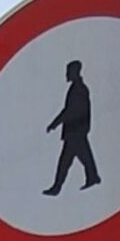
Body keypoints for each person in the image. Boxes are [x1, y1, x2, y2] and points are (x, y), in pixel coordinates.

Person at [44, 60, 100, 195]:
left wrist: (55, 123)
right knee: (84, 156)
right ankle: (92, 177)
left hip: (76, 131)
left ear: (75, 72)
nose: (67, 74)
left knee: (65, 161)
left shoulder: (78, 89)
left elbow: (70, 111)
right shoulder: (77, 88)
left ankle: (57, 187)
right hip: (76, 131)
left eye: (68, 71)